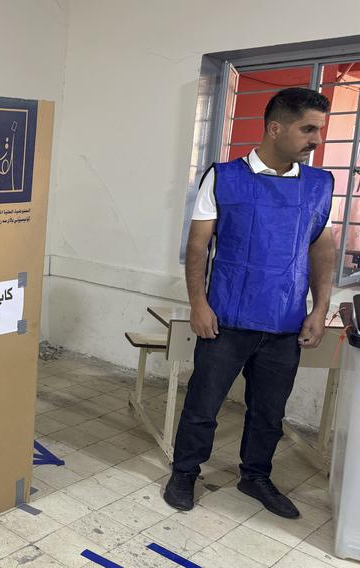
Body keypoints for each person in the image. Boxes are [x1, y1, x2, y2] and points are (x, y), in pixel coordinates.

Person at [164, 87, 335, 518]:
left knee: (269, 412)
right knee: (203, 405)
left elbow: (322, 250)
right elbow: (198, 246)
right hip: (226, 320)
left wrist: (318, 309)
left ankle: (255, 475)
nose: (316, 139)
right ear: (276, 128)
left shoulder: (319, 185)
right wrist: (198, 305)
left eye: (320, 129)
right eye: (308, 129)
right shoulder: (224, 177)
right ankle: (185, 471)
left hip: (285, 323)